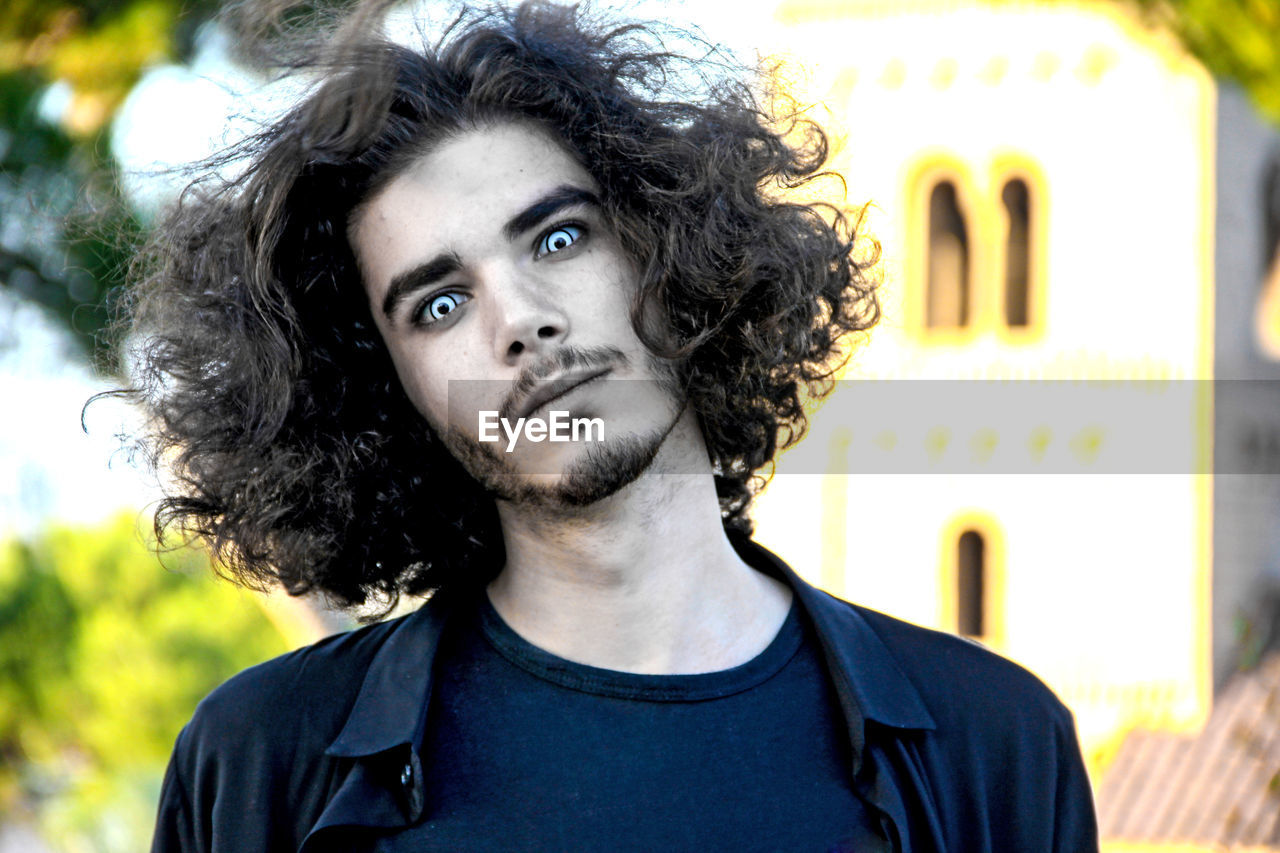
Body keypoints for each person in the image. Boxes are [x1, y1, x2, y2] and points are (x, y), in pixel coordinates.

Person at [127, 1, 1099, 850]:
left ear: (664, 247)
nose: (519, 322)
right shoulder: (261, 764)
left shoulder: (992, 744)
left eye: (557, 237)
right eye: (437, 305)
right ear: (390, 393)